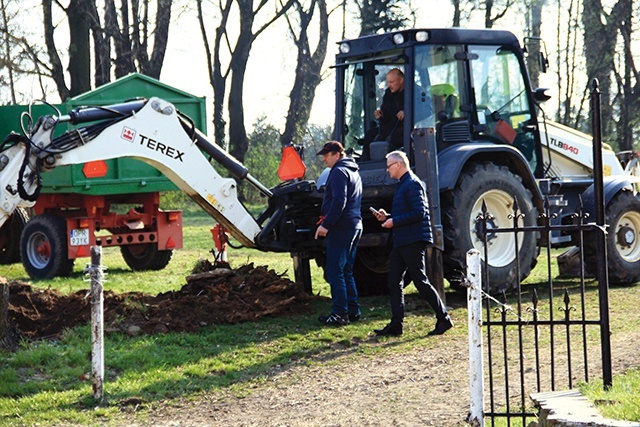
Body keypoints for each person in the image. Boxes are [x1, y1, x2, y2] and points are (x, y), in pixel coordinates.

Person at [371, 150, 453, 336]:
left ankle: (444, 318)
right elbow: (410, 212)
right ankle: (396, 324)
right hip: (403, 240)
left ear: (398, 165)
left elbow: (420, 212)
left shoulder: (413, 184)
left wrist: (394, 221)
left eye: (389, 166)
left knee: (420, 281)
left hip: (412, 240)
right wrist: (388, 217)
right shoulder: (404, 184)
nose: (387, 170)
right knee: (394, 281)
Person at [315, 141, 363, 326]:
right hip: (355, 225)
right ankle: (353, 310)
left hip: (342, 227)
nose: (324, 160)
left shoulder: (338, 172)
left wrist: (326, 224)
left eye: (326, 156)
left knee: (335, 270)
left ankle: (340, 313)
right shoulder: (353, 171)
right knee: (346, 270)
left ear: (336, 154)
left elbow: (339, 202)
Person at [360, 68, 406, 159]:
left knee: (393, 138)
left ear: (401, 80)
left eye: (392, 82)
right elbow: (386, 114)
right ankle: (366, 163)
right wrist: (381, 115)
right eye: (388, 82)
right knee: (371, 134)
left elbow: (426, 111)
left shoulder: (415, 91)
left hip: (406, 128)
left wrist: (407, 113)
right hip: (390, 127)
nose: (389, 85)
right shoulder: (388, 94)